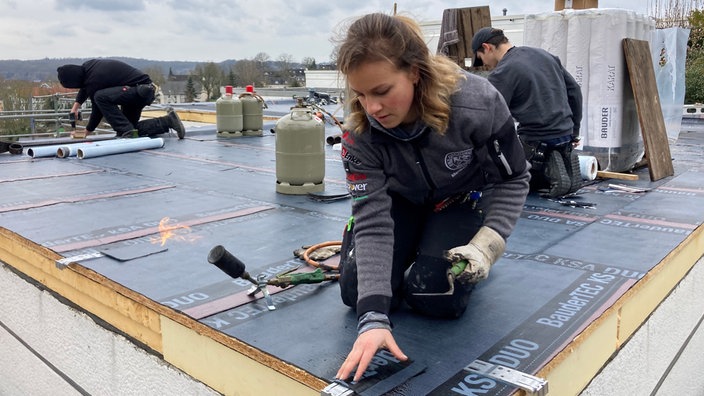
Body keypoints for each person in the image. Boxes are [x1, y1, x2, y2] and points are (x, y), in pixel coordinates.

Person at [334, 13, 530, 383]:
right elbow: (374, 222)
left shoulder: (477, 102)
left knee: (436, 294)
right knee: (358, 292)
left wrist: (488, 243)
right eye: (360, 94)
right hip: (400, 201)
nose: (371, 108)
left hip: (457, 199)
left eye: (381, 91)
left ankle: (435, 246)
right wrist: (374, 319)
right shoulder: (359, 133)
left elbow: (513, 178)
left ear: (415, 72)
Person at [472, 27, 583, 197]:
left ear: (487, 47)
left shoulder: (503, 72)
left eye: (481, 59)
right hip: (566, 134)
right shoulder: (545, 55)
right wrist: (574, 130)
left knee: (502, 176)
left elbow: (489, 116)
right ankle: (560, 158)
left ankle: (546, 168)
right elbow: (574, 91)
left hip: (535, 141)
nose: (485, 65)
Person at [57, 59, 185, 139]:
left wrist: (87, 131)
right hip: (136, 92)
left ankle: (126, 130)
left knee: (100, 97)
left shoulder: (94, 79)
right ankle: (168, 121)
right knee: (130, 131)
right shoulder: (88, 67)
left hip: (140, 91)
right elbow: (85, 87)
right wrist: (76, 106)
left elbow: (97, 110)